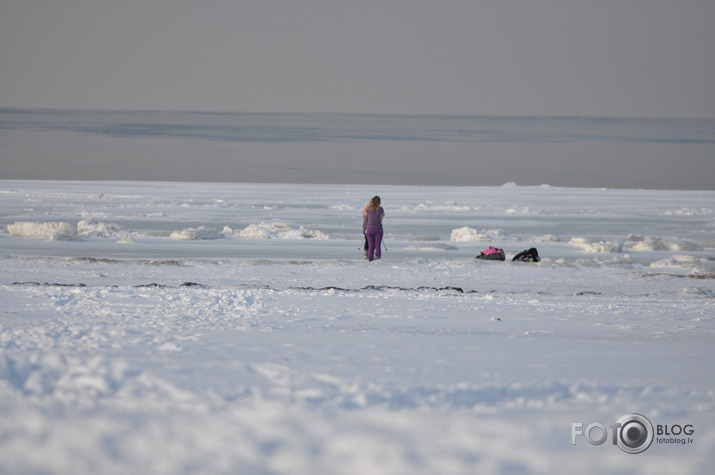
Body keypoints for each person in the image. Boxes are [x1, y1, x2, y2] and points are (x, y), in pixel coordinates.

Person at [362, 195, 385, 261]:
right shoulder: (380, 209)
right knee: (377, 245)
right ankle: (377, 258)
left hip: (369, 229)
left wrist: (364, 230)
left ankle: (370, 259)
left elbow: (365, 221)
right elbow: (381, 218)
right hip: (378, 229)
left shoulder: (368, 210)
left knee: (370, 246)